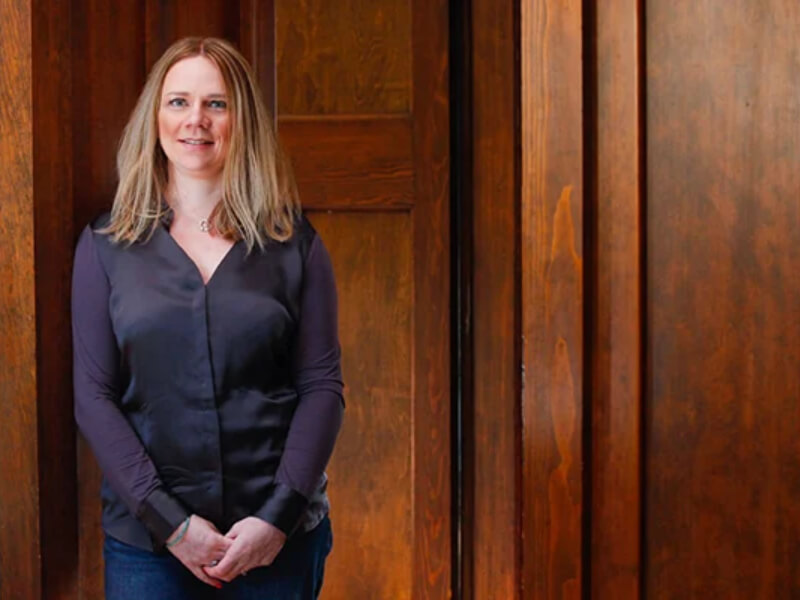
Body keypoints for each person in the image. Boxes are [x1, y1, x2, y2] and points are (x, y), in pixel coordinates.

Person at [71, 37, 344, 599]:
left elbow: (322, 388)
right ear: (155, 116)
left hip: (275, 540)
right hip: (149, 547)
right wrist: (170, 523)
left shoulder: (295, 244)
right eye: (178, 102)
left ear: (240, 119)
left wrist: (278, 518)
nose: (195, 120)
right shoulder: (105, 246)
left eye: (216, 104)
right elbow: (93, 397)